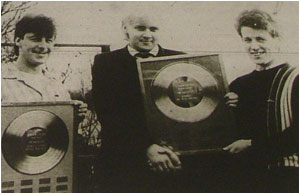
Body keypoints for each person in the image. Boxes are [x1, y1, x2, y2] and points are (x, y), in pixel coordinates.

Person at [92, 14, 185, 192]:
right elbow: (108, 115)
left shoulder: (179, 59)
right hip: (124, 163)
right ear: (125, 30)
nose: (147, 34)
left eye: (153, 29)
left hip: (171, 161)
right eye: (140, 28)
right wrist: (146, 147)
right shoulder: (106, 63)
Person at [223, 9, 298, 192]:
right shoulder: (237, 85)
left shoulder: (295, 78)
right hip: (247, 177)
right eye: (247, 40)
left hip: (287, 177)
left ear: (277, 40)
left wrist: (252, 145)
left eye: (261, 39)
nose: (254, 46)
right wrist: (227, 111)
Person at [2, 14, 87, 117]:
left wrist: (75, 116)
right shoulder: (3, 79)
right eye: (35, 39)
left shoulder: (56, 84)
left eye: (48, 41)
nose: (43, 46)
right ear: (18, 41)